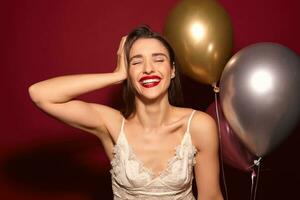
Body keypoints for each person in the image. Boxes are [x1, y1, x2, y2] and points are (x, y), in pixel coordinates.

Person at [28, 25, 223, 200]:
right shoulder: (110, 123)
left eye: (158, 59)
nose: (148, 69)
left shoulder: (199, 125)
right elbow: (40, 94)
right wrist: (116, 75)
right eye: (136, 62)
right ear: (128, 72)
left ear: (172, 71)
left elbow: (211, 196)